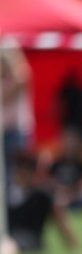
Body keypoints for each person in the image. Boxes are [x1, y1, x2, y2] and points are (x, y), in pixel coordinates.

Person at [2, 151, 78, 254]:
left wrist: (74, 248)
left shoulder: (42, 196)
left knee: (9, 245)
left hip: (30, 240)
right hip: (9, 236)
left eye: (19, 171)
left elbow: (61, 222)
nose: (16, 175)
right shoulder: (8, 194)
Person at [1, 46, 34, 183]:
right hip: (4, 129)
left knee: (18, 170)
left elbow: (9, 94)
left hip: (17, 130)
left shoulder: (20, 78)